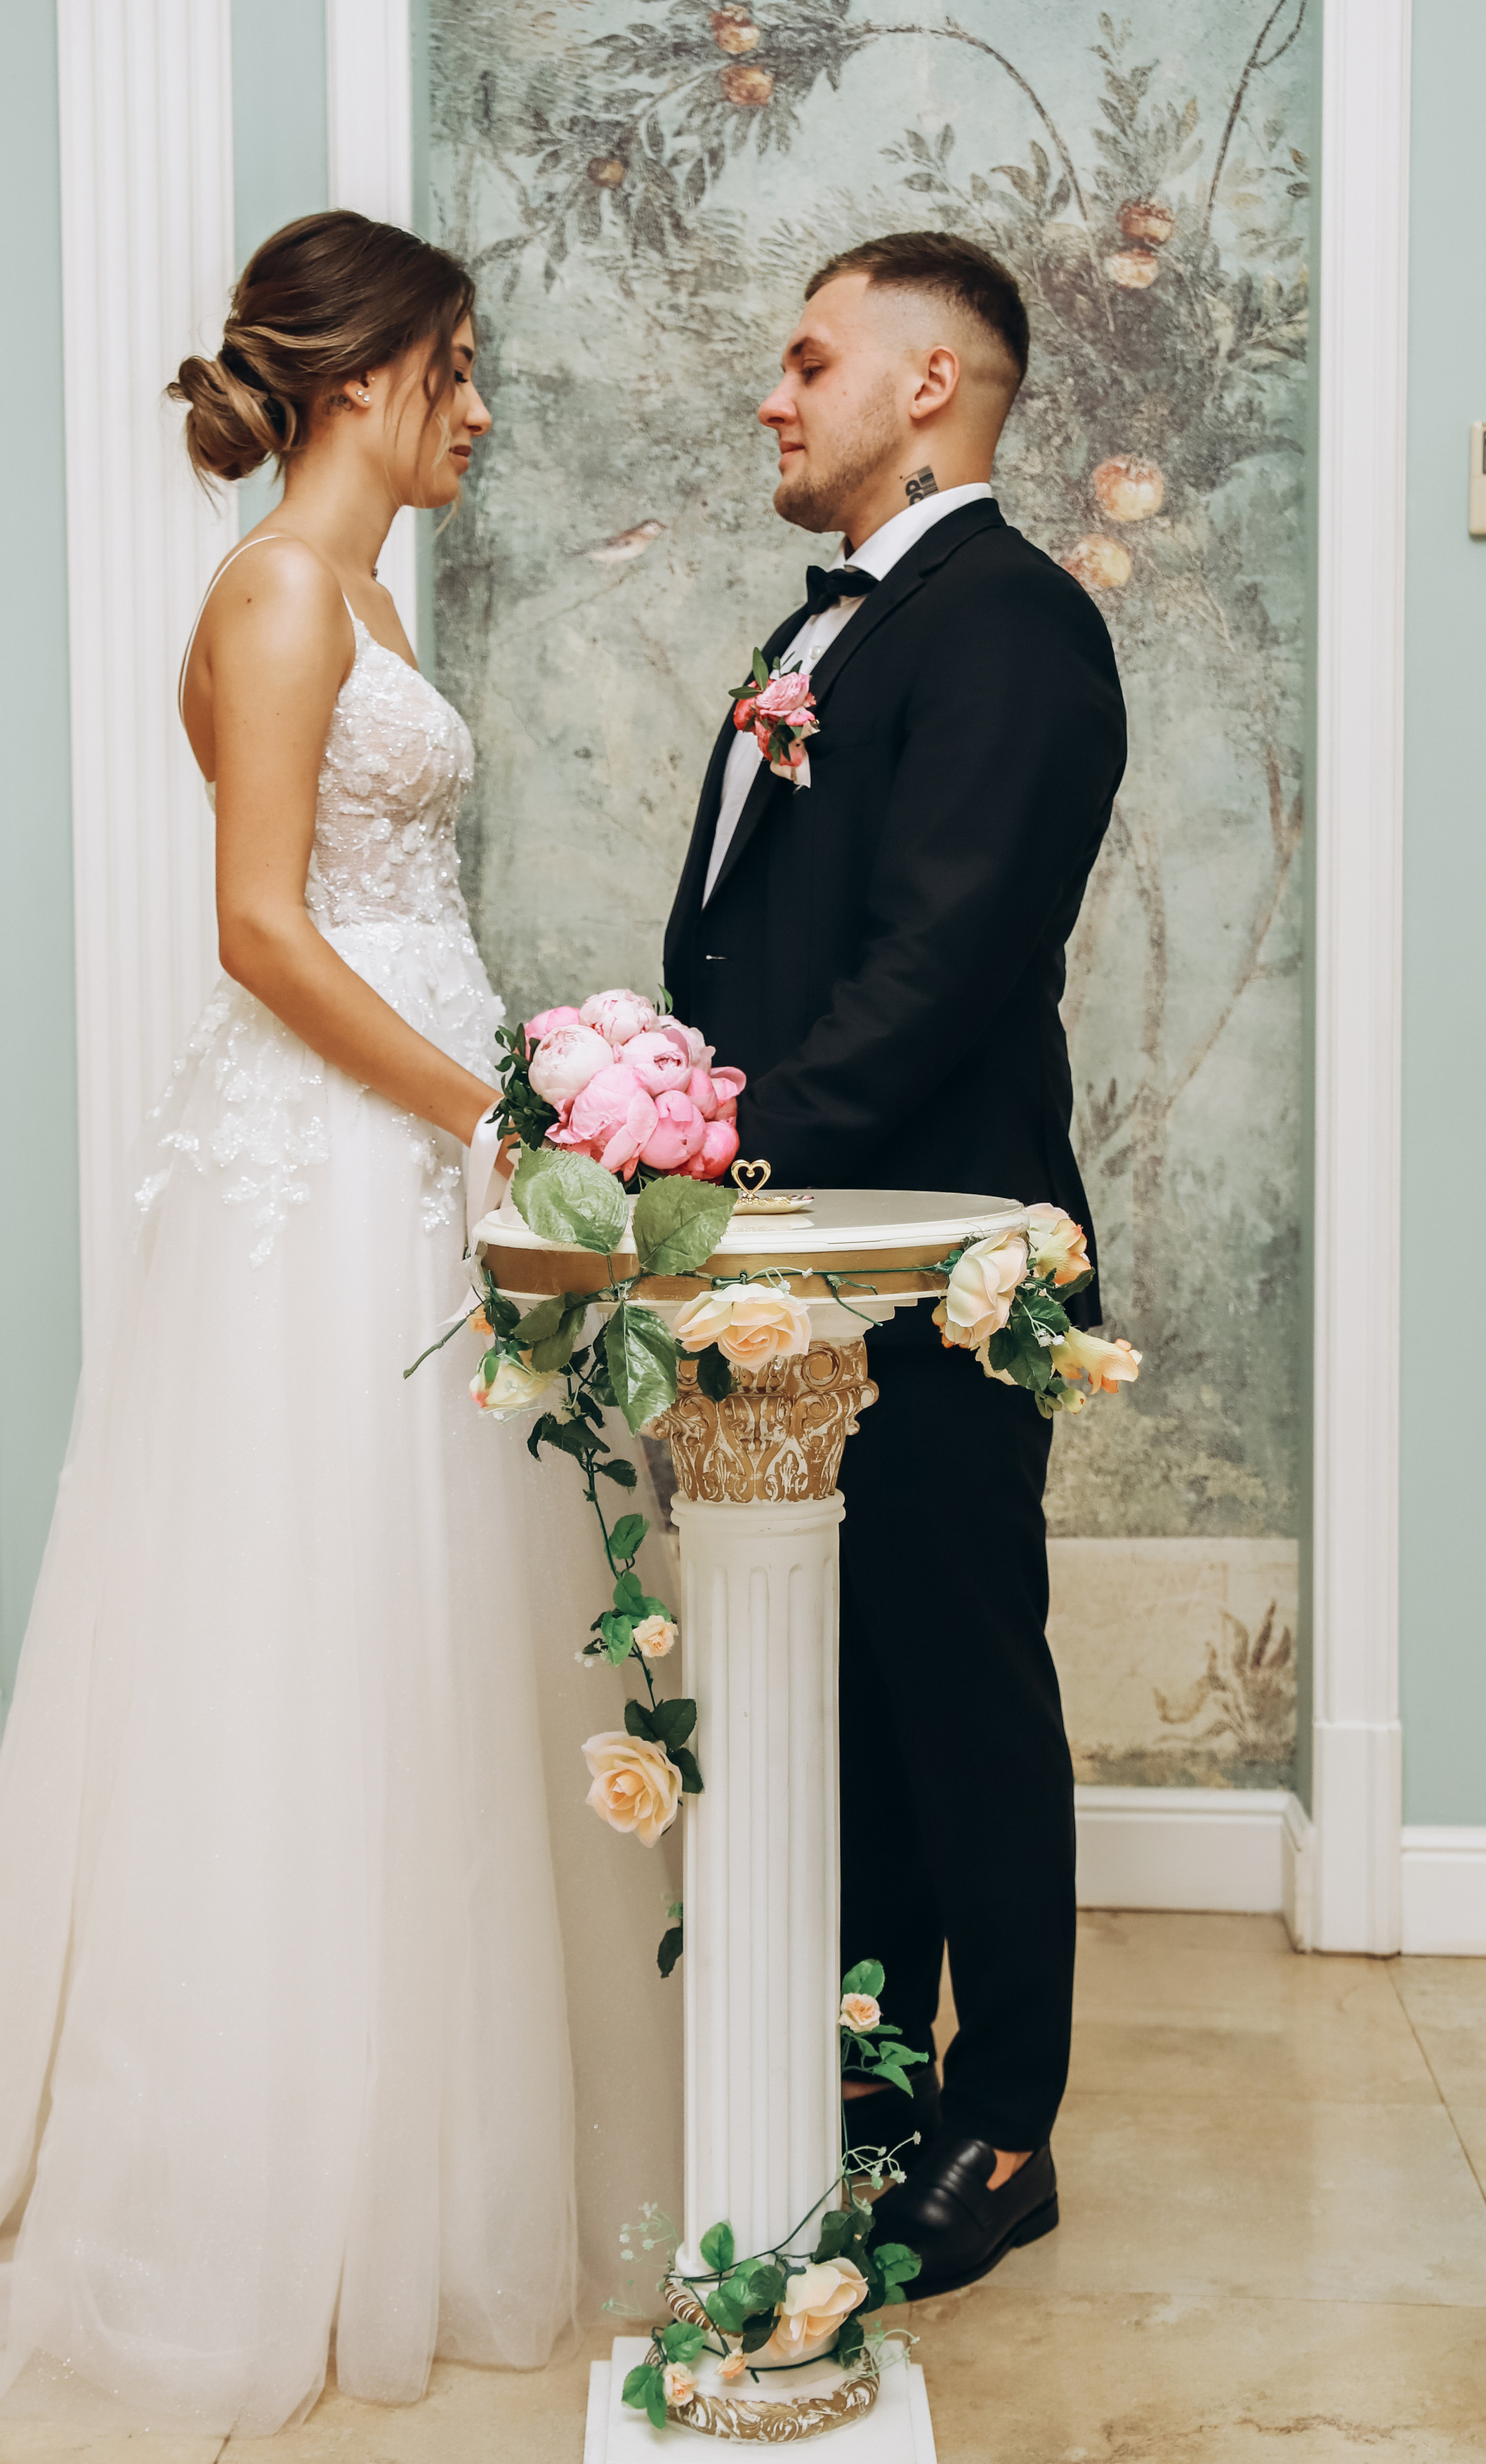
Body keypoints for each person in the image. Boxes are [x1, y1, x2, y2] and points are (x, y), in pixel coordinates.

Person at [0, 211, 589, 2434]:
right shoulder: (282, 590)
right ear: (366, 374)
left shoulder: (369, 592)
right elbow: (267, 932)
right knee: (306, 1633)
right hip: (330, 1165)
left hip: (412, 1155)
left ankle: (430, 2151)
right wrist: (501, 1119)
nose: (479, 409)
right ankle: (261, 2190)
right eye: (458, 367)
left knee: (434, 1630)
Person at [662, 230, 1127, 2296]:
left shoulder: (1013, 620)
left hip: (936, 1251)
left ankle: (1004, 2125)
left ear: (930, 383)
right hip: (825, 1260)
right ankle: (862, 2080)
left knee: (956, 1690)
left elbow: (942, 960)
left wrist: (732, 1159)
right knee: (841, 1700)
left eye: (809, 357)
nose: (777, 392)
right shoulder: (835, 622)